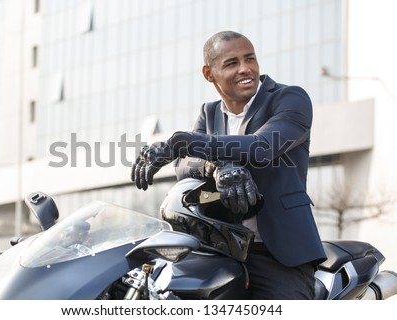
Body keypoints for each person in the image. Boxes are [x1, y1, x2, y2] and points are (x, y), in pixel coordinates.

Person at [131, 30, 327, 299]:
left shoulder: (289, 98)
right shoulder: (208, 112)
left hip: (279, 255)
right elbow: (184, 166)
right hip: (217, 249)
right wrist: (218, 166)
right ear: (209, 73)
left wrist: (186, 141)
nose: (245, 69)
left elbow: (262, 147)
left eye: (250, 59)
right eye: (232, 63)